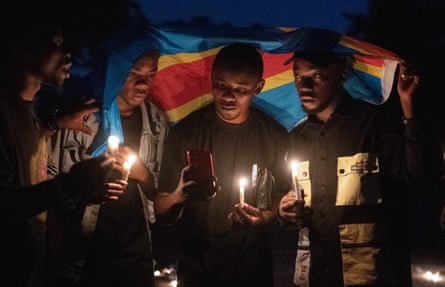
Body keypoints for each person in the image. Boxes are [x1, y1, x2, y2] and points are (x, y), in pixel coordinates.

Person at [278, 51, 429, 286]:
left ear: (341, 74)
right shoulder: (296, 137)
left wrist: (408, 105)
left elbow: (415, 176)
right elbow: (288, 207)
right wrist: (285, 211)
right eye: (298, 76)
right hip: (313, 275)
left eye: (316, 76)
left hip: (369, 276)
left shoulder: (374, 123)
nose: (304, 86)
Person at [0, 22, 126, 287]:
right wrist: (69, 185)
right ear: (24, 49)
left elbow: (29, 171)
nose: (68, 53)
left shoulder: (30, 112)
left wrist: (54, 124)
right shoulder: (4, 113)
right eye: (56, 44)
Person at [155, 43, 289, 287]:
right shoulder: (185, 133)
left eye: (241, 89)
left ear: (258, 87)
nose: (229, 96)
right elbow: (161, 211)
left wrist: (264, 217)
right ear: (211, 79)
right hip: (197, 272)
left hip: (254, 272)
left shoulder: (274, 136)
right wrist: (179, 196)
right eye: (221, 85)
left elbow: (281, 195)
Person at [46, 26, 168, 287]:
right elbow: (47, 186)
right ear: (115, 69)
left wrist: (143, 175)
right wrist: (84, 190)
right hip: (83, 260)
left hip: (136, 260)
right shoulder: (80, 115)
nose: (143, 84)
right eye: (134, 73)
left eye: (151, 74)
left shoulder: (157, 123)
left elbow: (160, 196)